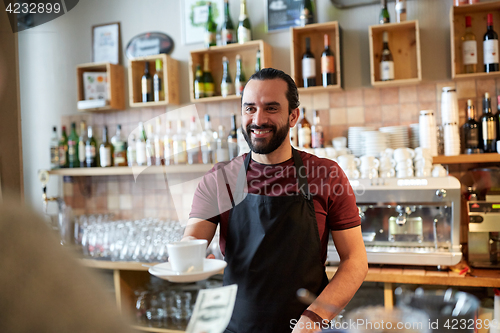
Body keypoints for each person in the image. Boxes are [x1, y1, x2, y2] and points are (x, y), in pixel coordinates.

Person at [184, 68, 368, 333]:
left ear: (293, 116)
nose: (258, 119)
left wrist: (314, 319)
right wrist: (186, 250)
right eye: (249, 109)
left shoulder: (326, 174)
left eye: (271, 108)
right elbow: (194, 238)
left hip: (307, 326)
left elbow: (355, 260)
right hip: (238, 325)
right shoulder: (221, 178)